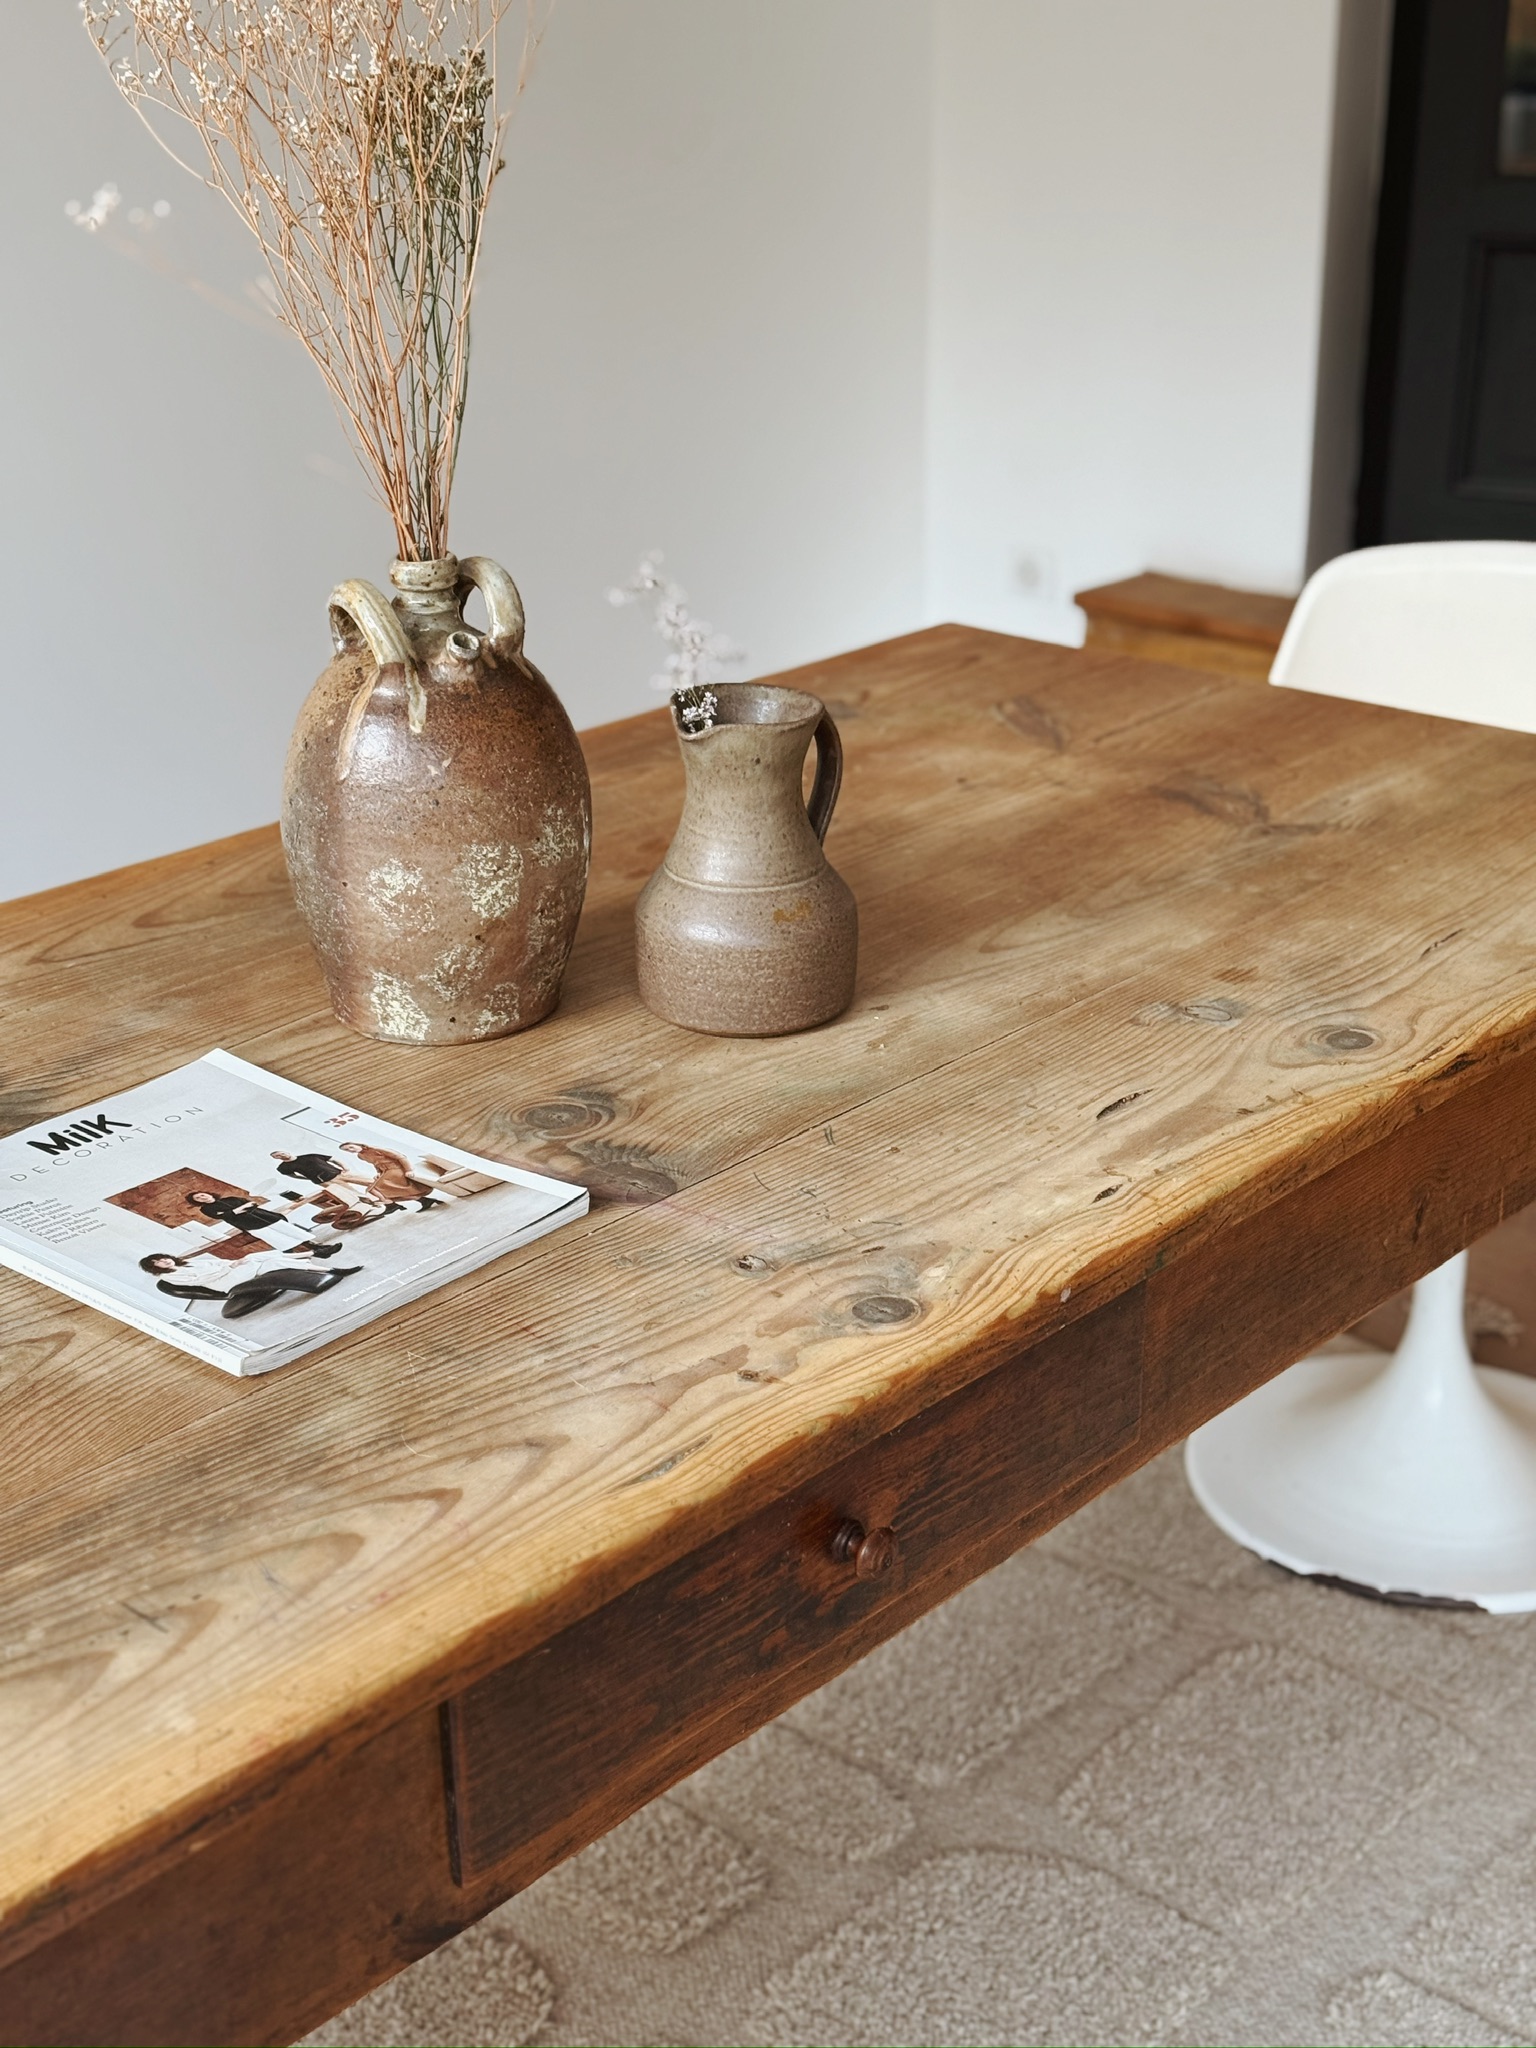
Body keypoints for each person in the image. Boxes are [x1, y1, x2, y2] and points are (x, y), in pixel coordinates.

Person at [140, 1245, 361, 1320]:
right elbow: (204, 1278)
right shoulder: (169, 1276)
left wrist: (234, 1262)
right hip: (226, 1283)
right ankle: (315, 1253)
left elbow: (219, 1262)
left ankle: (331, 1268)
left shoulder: (188, 1261)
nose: (164, 1261)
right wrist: (231, 1267)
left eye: (163, 1257)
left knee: (271, 1260)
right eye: (158, 1262)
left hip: (232, 1271)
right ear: (155, 1268)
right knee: (261, 1258)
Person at [338, 1142, 447, 1209]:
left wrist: (408, 1170)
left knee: (373, 1190)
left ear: (357, 1144)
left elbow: (401, 1157)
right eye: (347, 1150)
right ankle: (424, 1201)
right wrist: (378, 1174)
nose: (350, 1151)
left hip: (396, 1169)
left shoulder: (376, 1149)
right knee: (389, 1195)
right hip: (386, 1172)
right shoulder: (361, 1156)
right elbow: (376, 1165)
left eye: (351, 1147)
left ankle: (391, 1206)